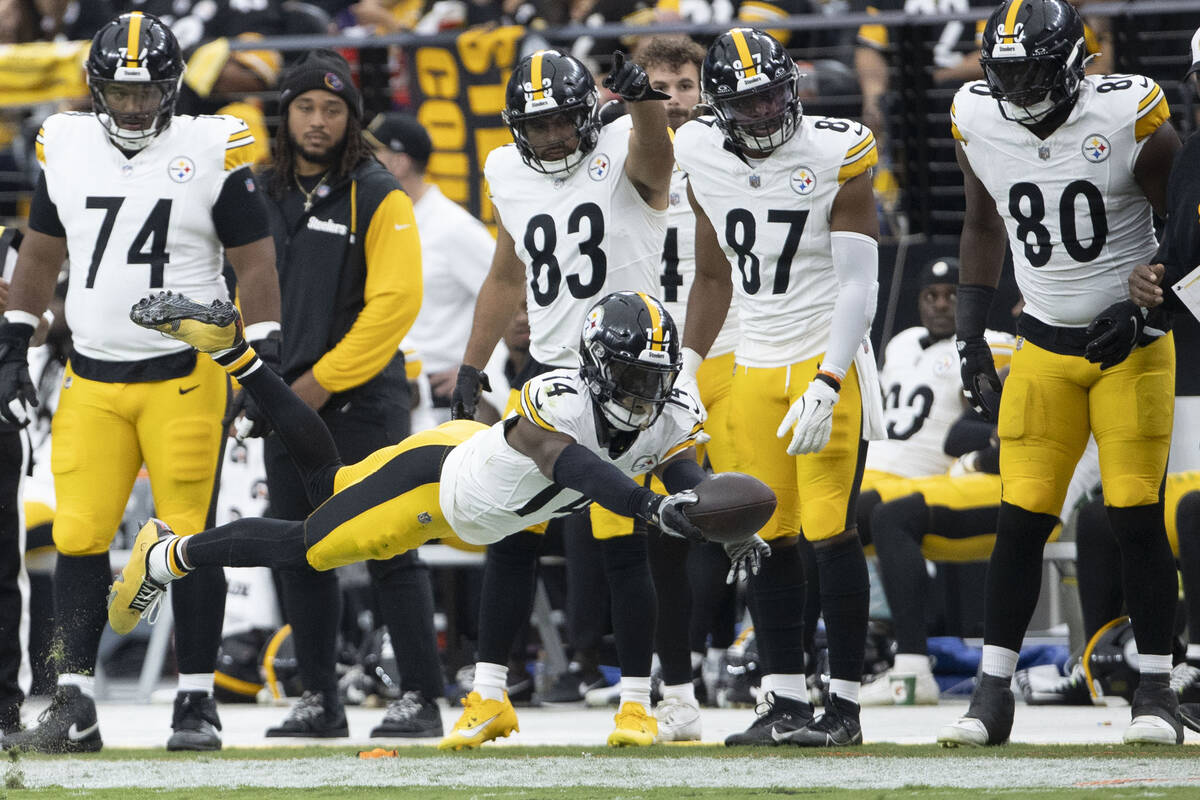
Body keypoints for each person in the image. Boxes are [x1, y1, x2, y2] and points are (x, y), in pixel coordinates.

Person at [107, 292, 767, 742]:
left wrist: (726, 524)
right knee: (308, 546)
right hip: (434, 489)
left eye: (654, 378)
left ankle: (234, 354)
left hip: (474, 477)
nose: (642, 393)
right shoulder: (558, 400)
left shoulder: (673, 408)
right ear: (594, 368)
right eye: (628, 375)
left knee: (329, 482)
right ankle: (169, 555)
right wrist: (652, 507)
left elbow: (689, 478)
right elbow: (573, 468)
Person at [0, 11, 282, 753]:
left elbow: (254, 261)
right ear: (97, 89)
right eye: (120, 93)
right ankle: (74, 701)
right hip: (90, 375)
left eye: (147, 92)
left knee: (189, 538)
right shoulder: (63, 142)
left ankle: (196, 701)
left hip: (185, 377)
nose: (132, 107)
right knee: (79, 535)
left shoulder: (210, 144)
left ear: (171, 87)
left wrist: (265, 358)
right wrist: (12, 346)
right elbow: (38, 252)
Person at [937, 0, 1183, 747]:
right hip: (1041, 344)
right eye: (1007, 74)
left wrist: (1151, 309)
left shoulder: (1130, 115)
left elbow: (1190, 228)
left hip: (1129, 346)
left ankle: (1156, 689)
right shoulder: (976, 119)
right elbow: (982, 225)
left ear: (1077, 63)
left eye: (1035, 71)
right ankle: (992, 693)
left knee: (1135, 512)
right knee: (1021, 518)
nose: (1021, 89)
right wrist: (972, 339)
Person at [444, 48, 679, 748]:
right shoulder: (504, 168)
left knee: (621, 543)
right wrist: (471, 363)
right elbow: (506, 275)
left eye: (560, 121)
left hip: (626, 371)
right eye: (535, 124)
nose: (549, 137)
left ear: (589, 113)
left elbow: (656, 162)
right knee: (514, 536)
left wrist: (642, 101)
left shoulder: (623, 143)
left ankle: (637, 703)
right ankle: (489, 694)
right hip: (548, 368)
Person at [677, 27, 886, 747]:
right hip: (757, 364)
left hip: (827, 358)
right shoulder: (697, 148)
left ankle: (847, 710)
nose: (765, 113)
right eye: (748, 103)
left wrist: (830, 378)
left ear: (791, 88)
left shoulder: (838, 149)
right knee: (764, 538)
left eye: (772, 97)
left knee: (831, 531)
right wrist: (686, 363)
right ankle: (786, 699)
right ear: (719, 108)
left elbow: (862, 282)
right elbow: (712, 276)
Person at [242, 49, 425, 740]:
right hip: (283, 401)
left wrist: (313, 387)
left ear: (351, 118)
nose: (318, 121)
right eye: (305, 107)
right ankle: (319, 699)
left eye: (333, 108)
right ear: (283, 114)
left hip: (359, 405)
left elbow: (394, 308)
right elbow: (239, 290)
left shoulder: (378, 191)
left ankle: (421, 695)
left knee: (386, 547)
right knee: (300, 550)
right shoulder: (259, 191)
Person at [854, 256, 1013, 706]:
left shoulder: (992, 344)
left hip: (918, 476)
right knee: (816, 521)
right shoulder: (902, 344)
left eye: (953, 296)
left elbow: (989, 423)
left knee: (864, 514)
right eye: (931, 296)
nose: (942, 305)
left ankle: (908, 663)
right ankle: (814, 665)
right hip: (877, 467)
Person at [365, 112, 495, 431]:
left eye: (372, 154)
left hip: (439, 408)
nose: (361, 164)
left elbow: (515, 296)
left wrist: (477, 369)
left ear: (399, 163)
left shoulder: (453, 227)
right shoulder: (377, 219)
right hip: (383, 395)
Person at [0, 227, 31, 736]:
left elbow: (46, 323)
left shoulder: (10, 242)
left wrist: (16, 312)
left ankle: (4, 707)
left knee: (2, 573)